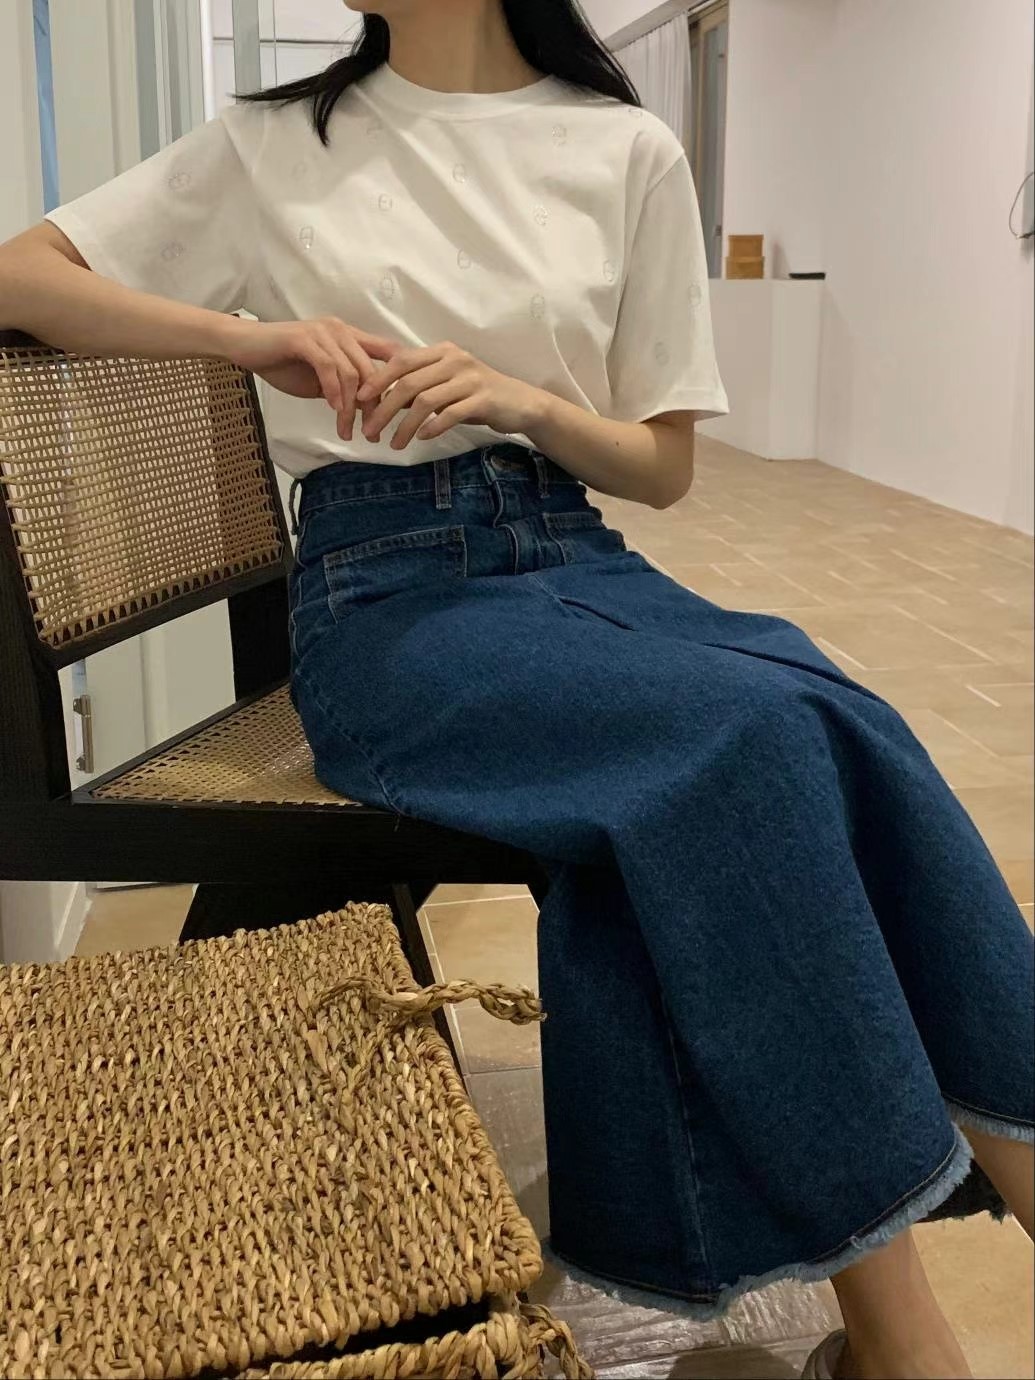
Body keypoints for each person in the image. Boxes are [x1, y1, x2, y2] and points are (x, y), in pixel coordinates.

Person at [0, 2, 1031, 1376]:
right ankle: (908, 1343)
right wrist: (247, 340)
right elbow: (18, 276)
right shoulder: (271, 140)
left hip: (576, 556)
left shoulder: (624, 149)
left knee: (837, 720)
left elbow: (662, 465)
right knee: (746, 739)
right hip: (386, 596)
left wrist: (523, 401)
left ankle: (913, 1304)